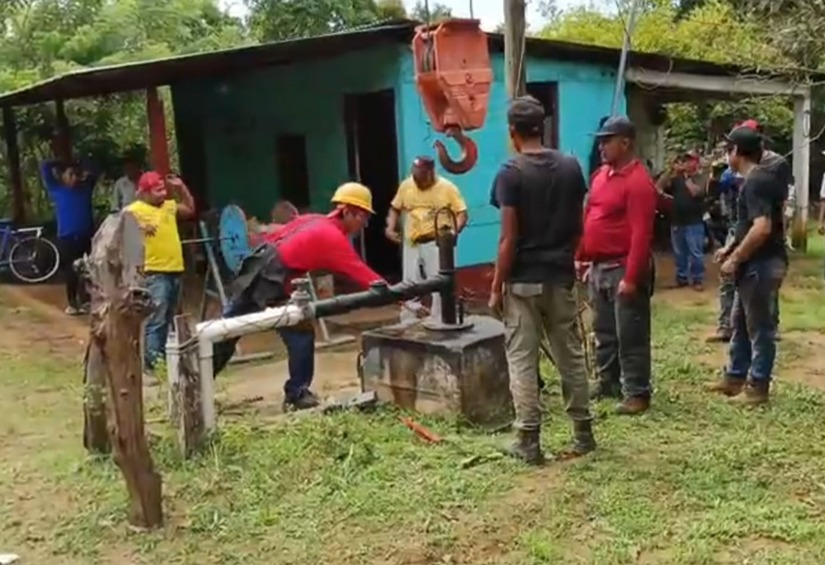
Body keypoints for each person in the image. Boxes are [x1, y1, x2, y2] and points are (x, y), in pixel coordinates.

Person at [488, 96, 595, 465]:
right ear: (543, 127)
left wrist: (495, 286)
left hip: (523, 281)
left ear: (512, 133)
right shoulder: (570, 166)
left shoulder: (510, 172)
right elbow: (579, 227)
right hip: (561, 275)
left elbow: (508, 238)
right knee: (570, 355)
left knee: (522, 357)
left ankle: (528, 440)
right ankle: (583, 432)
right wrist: (566, 258)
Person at [213, 183, 385, 411]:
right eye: (363, 216)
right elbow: (363, 274)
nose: (364, 223)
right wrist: (403, 297)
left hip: (261, 267)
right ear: (347, 211)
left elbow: (276, 235)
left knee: (227, 328)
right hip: (272, 278)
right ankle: (296, 393)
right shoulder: (331, 237)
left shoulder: (314, 220)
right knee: (290, 332)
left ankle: (197, 380)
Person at [575, 116, 657, 415]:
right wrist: (582, 255)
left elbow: (641, 233)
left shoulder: (638, 182)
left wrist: (632, 277)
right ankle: (608, 380)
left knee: (631, 332)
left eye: (607, 140)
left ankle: (637, 392)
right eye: (600, 140)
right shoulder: (600, 176)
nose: (601, 146)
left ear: (625, 142)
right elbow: (591, 217)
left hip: (623, 266)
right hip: (598, 265)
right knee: (604, 329)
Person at [706, 126, 788, 405]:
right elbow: (758, 223)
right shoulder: (756, 180)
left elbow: (762, 228)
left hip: (761, 264)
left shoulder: (756, 182)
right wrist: (730, 248)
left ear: (737, 152)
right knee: (740, 323)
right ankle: (735, 377)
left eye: (728, 149)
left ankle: (758, 386)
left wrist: (736, 258)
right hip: (757, 263)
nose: (726, 154)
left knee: (760, 327)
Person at [125, 171, 196, 381]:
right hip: (154, 273)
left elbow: (190, 209)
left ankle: (162, 360)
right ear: (144, 192)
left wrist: (181, 188)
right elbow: (117, 230)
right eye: (157, 190)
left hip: (174, 269)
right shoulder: (133, 211)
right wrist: (137, 227)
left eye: (163, 189)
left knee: (169, 318)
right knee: (156, 319)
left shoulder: (168, 207)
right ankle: (153, 365)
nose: (162, 194)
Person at [386, 157, 468, 323]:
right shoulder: (407, 185)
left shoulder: (447, 188)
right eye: (416, 178)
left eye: (422, 179)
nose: (418, 182)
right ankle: (409, 319)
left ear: (431, 174)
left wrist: (453, 232)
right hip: (412, 242)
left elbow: (462, 214)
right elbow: (395, 208)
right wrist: (390, 227)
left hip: (436, 242)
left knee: (439, 282)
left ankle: (439, 319)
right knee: (409, 282)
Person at [40, 158, 98, 316]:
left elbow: (94, 170)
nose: (74, 178)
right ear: (63, 177)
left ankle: (86, 300)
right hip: (67, 237)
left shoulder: (85, 189)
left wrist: (81, 164)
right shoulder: (57, 189)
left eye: (76, 175)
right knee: (71, 271)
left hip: (86, 235)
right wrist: (60, 161)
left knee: (87, 269)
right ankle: (72, 303)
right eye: (70, 174)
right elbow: (45, 167)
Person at [656, 151, 707, 290]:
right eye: (685, 160)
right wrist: (671, 170)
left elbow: (696, 192)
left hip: (694, 221)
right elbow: (658, 187)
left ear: (696, 162)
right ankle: (681, 278)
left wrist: (686, 178)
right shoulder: (676, 178)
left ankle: (697, 279)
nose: (686, 163)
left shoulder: (701, 177)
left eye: (690, 160)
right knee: (679, 252)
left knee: (695, 252)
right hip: (677, 220)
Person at [707, 164, 745, 343]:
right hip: (734, 227)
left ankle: (731, 327)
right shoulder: (730, 173)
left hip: (745, 229)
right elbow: (714, 190)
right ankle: (726, 326)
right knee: (729, 279)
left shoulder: (742, 174)